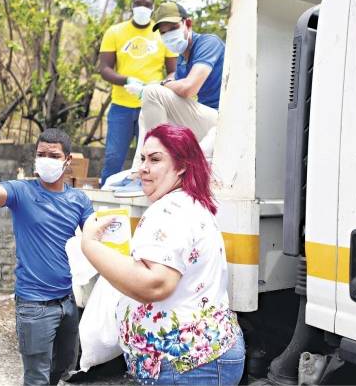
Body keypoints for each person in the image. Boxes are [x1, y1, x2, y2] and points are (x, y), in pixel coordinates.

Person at [81, 124, 245, 385]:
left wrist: (90, 246)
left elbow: (155, 283)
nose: (144, 167)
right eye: (143, 158)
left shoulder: (169, 211)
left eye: (155, 159)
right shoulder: (187, 203)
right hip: (195, 362)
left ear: (181, 165)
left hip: (188, 366)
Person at [0, 128, 94, 386]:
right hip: (34, 305)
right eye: (41, 154)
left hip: (67, 299)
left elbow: (95, 237)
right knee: (36, 375)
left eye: (53, 155)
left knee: (64, 365)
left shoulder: (79, 200)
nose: (46, 159)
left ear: (67, 160)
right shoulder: (21, 192)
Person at [114, 2, 225, 197]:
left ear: (187, 24)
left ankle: (157, 171)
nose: (169, 36)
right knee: (148, 101)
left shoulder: (208, 43)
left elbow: (189, 88)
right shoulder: (182, 60)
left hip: (223, 121)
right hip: (205, 120)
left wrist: (160, 86)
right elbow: (174, 88)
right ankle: (140, 171)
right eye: (164, 33)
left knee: (152, 93)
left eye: (173, 28)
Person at [98, 0, 177, 187]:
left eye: (147, 4)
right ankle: (104, 201)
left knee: (153, 156)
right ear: (132, 5)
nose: (142, 7)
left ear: (153, 6)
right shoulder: (115, 32)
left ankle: (150, 197)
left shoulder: (162, 33)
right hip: (121, 106)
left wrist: (157, 87)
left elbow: (173, 72)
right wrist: (126, 80)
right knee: (113, 157)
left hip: (152, 106)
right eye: (138, 3)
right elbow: (105, 69)